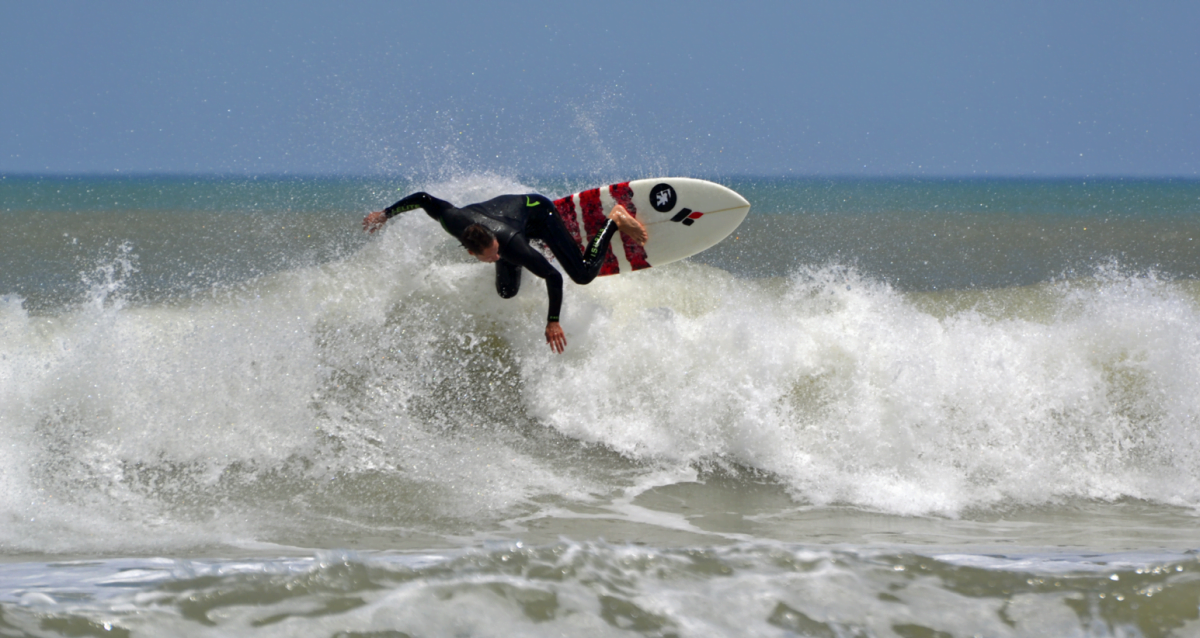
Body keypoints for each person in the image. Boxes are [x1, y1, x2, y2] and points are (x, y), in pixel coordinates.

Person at [363, 191, 648, 353]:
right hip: (513, 224)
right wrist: (386, 215)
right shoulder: (451, 219)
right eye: (491, 257)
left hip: (539, 213)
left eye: (496, 251)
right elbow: (424, 198)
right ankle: (542, 246)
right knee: (506, 291)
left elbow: (554, 277)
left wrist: (553, 321)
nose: (496, 257)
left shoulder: (511, 245)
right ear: (472, 252)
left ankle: (614, 220)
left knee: (583, 274)